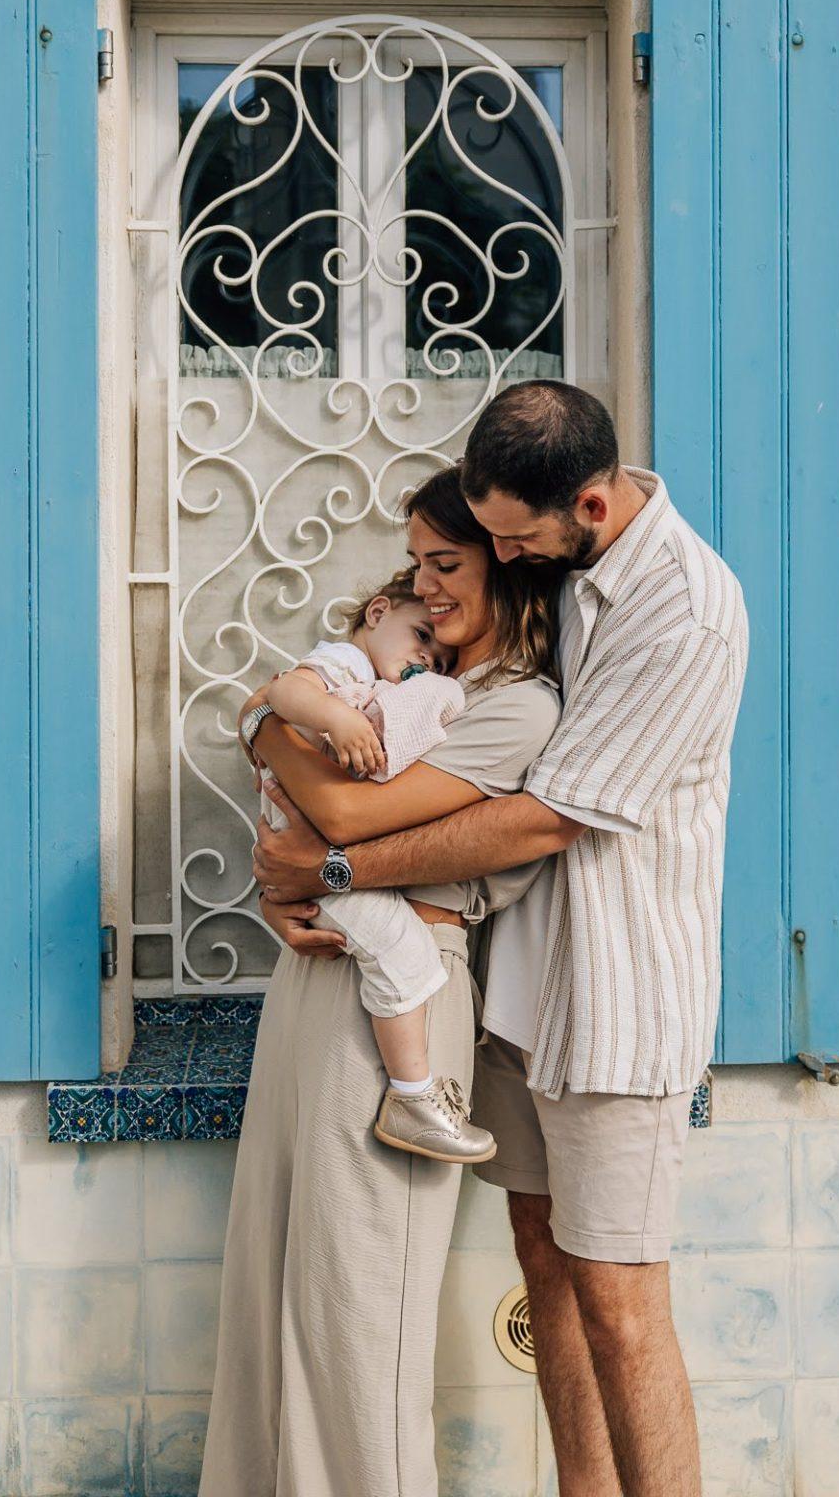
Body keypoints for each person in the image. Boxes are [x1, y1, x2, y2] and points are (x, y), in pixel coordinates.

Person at [254, 381, 749, 1497]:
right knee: (544, 1264)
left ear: (588, 503)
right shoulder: (558, 570)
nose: (500, 559)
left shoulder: (683, 610)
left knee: (622, 1304)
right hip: (513, 993)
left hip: (617, 1002)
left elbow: (547, 813)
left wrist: (332, 869)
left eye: (514, 539)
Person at [198, 464, 562, 1497]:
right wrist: (275, 724)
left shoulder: (515, 709)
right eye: (417, 568)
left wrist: (272, 724)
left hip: (407, 989)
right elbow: (298, 764)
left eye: (446, 565)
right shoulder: (398, 682)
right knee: (278, 1280)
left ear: (510, 571)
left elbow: (346, 818)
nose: (424, 587)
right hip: (322, 970)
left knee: (363, 1299)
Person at [249, 570, 494, 1162]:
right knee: (404, 959)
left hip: (315, 840)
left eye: (438, 656)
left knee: (401, 957)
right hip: (303, 834)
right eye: (420, 635)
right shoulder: (343, 664)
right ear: (377, 612)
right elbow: (278, 695)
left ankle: (415, 1094)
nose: (425, 658)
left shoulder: (382, 686)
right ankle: (413, 1097)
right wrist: (339, 719)